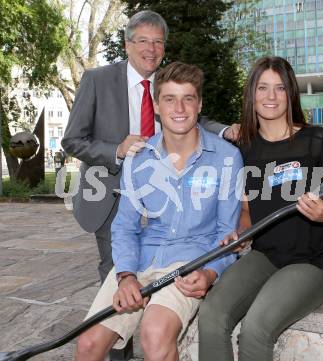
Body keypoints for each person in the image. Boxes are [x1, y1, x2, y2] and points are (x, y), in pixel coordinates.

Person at [75, 61, 243, 361]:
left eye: (188, 98)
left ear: (199, 103)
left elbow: (226, 234)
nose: (179, 107)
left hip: (191, 261)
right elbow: (125, 226)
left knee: (154, 333)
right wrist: (126, 275)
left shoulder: (227, 157)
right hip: (142, 259)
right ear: (155, 105)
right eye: (169, 98)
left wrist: (209, 273)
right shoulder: (139, 159)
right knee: (87, 345)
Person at [61, 10, 240, 285]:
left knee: (165, 267)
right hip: (113, 192)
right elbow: (72, 140)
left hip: (167, 191)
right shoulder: (97, 80)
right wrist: (117, 150)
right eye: (143, 41)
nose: (151, 49)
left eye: (158, 42)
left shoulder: (168, 82)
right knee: (119, 273)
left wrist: (225, 131)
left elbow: (192, 118)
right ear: (127, 45)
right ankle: (124, 326)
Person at [198, 56, 323, 361]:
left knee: (256, 327)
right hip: (264, 255)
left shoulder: (317, 140)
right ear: (251, 95)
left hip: (314, 262)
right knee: (212, 314)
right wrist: (240, 235)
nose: (271, 97)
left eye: (279, 88)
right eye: (263, 88)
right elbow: (246, 209)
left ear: (290, 93)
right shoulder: (244, 148)